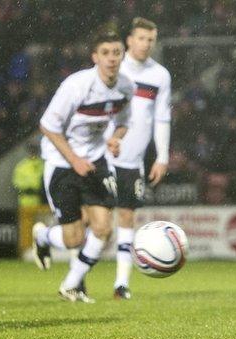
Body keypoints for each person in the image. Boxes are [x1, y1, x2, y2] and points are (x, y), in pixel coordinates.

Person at [32, 26, 133, 303]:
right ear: (95, 57)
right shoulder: (76, 86)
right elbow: (48, 126)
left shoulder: (126, 86)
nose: (111, 58)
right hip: (61, 162)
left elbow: (124, 122)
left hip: (96, 159)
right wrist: (74, 159)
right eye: (105, 53)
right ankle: (43, 237)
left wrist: (115, 138)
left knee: (103, 228)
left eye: (116, 53)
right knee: (74, 238)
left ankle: (71, 284)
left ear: (123, 55)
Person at [104, 17, 172, 300]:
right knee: (94, 224)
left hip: (134, 161)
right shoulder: (113, 70)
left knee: (127, 217)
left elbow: (161, 118)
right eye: (141, 38)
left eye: (150, 40)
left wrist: (162, 157)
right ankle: (69, 265)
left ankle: (121, 284)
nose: (146, 44)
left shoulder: (160, 75)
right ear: (129, 40)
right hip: (103, 157)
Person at [12, 141, 44, 208]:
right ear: (28, 150)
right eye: (31, 148)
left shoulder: (42, 164)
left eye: (34, 148)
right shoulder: (21, 165)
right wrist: (31, 187)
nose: (32, 151)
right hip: (25, 200)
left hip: (41, 200)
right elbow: (16, 182)